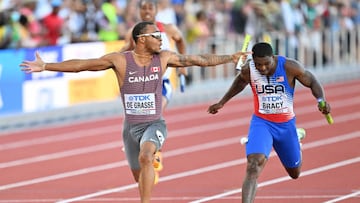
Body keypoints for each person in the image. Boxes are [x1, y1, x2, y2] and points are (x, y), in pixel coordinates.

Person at [20, 21, 250, 203]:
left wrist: (229, 57)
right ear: (141, 40)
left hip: (154, 123)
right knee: (139, 175)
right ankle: (148, 171)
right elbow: (82, 65)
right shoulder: (120, 61)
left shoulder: (164, 58)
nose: (162, 39)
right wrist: (46, 66)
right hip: (130, 129)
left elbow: (197, 59)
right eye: (156, 36)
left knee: (146, 156)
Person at [207, 42, 331, 203]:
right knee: (253, 165)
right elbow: (239, 83)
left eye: (266, 64)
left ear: (273, 58)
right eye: (258, 64)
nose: (263, 68)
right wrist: (222, 102)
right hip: (262, 123)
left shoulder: (289, 67)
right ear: (253, 61)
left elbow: (312, 81)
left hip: (285, 125)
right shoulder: (249, 70)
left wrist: (321, 100)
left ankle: (296, 139)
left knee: (295, 173)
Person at [120, 0, 187, 182]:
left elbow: (181, 42)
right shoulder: (133, 33)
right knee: (139, 116)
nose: (147, 11)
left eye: (150, 8)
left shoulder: (168, 29)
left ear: (157, 10)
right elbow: (124, 51)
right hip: (143, 85)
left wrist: (182, 67)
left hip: (163, 83)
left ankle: (155, 153)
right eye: (143, 8)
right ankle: (144, 151)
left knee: (156, 112)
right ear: (139, 11)